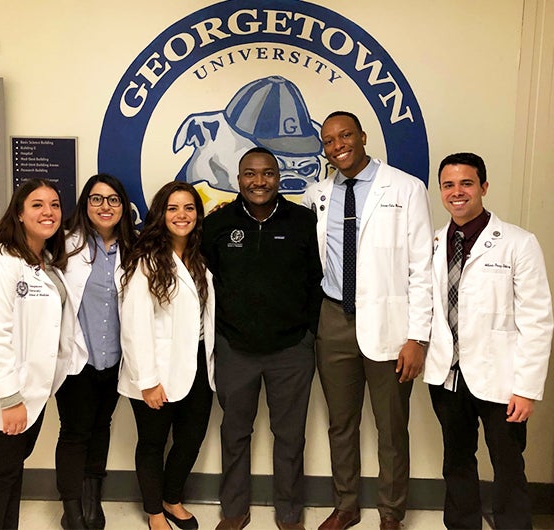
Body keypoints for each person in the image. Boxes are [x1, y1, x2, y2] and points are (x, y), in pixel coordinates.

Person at [301, 111, 433, 530]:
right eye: (328, 140)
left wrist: (418, 336)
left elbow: (421, 267)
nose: (337, 145)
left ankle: (391, 513)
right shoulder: (316, 194)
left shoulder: (406, 188)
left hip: (390, 325)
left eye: (344, 136)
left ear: (362, 136)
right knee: (342, 422)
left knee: (391, 427)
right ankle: (346, 506)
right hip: (333, 319)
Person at [424, 152, 553, 530]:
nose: (457, 192)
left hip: (503, 379)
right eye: (448, 185)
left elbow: (538, 320)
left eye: (466, 183)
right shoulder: (433, 242)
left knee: (508, 466)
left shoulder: (518, 243)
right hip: (448, 375)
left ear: (483, 187)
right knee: (457, 459)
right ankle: (462, 524)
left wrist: (526, 388)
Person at [202, 146, 323, 530]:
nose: (259, 181)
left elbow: (316, 281)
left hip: (291, 349)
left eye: (267, 173)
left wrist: (308, 333)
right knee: (234, 433)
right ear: (238, 180)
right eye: (250, 174)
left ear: (279, 177)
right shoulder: (217, 225)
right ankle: (234, 510)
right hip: (235, 349)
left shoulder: (303, 221)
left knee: (290, 436)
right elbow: (206, 279)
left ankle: (289, 513)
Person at [0, 178, 72, 530]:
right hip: (0, 398)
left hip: (28, 394)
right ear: (19, 214)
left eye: (54, 204)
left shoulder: (43, 260)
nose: (48, 212)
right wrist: (9, 398)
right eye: (37, 204)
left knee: (8, 474)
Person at [118, 181, 215, 530]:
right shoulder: (145, 260)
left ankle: (171, 498)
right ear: (161, 214)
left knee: (191, 438)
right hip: (154, 369)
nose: (182, 215)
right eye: (173, 208)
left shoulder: (200, 257)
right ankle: (154, 512)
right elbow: (133, 325)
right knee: (152, 443)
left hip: (198, 366)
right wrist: (147, 380)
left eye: (189, 208)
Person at [55, 174, 137, 529]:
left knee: (100, 426)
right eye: (96, 199)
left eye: (113, 199)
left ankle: (92, 499)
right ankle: (71, 507)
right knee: (74, 432)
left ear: (124, 207)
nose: (105, 206)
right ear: (85, 205)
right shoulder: (64, 246)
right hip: (77, 359)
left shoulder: (135, 249)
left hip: (115, 360)